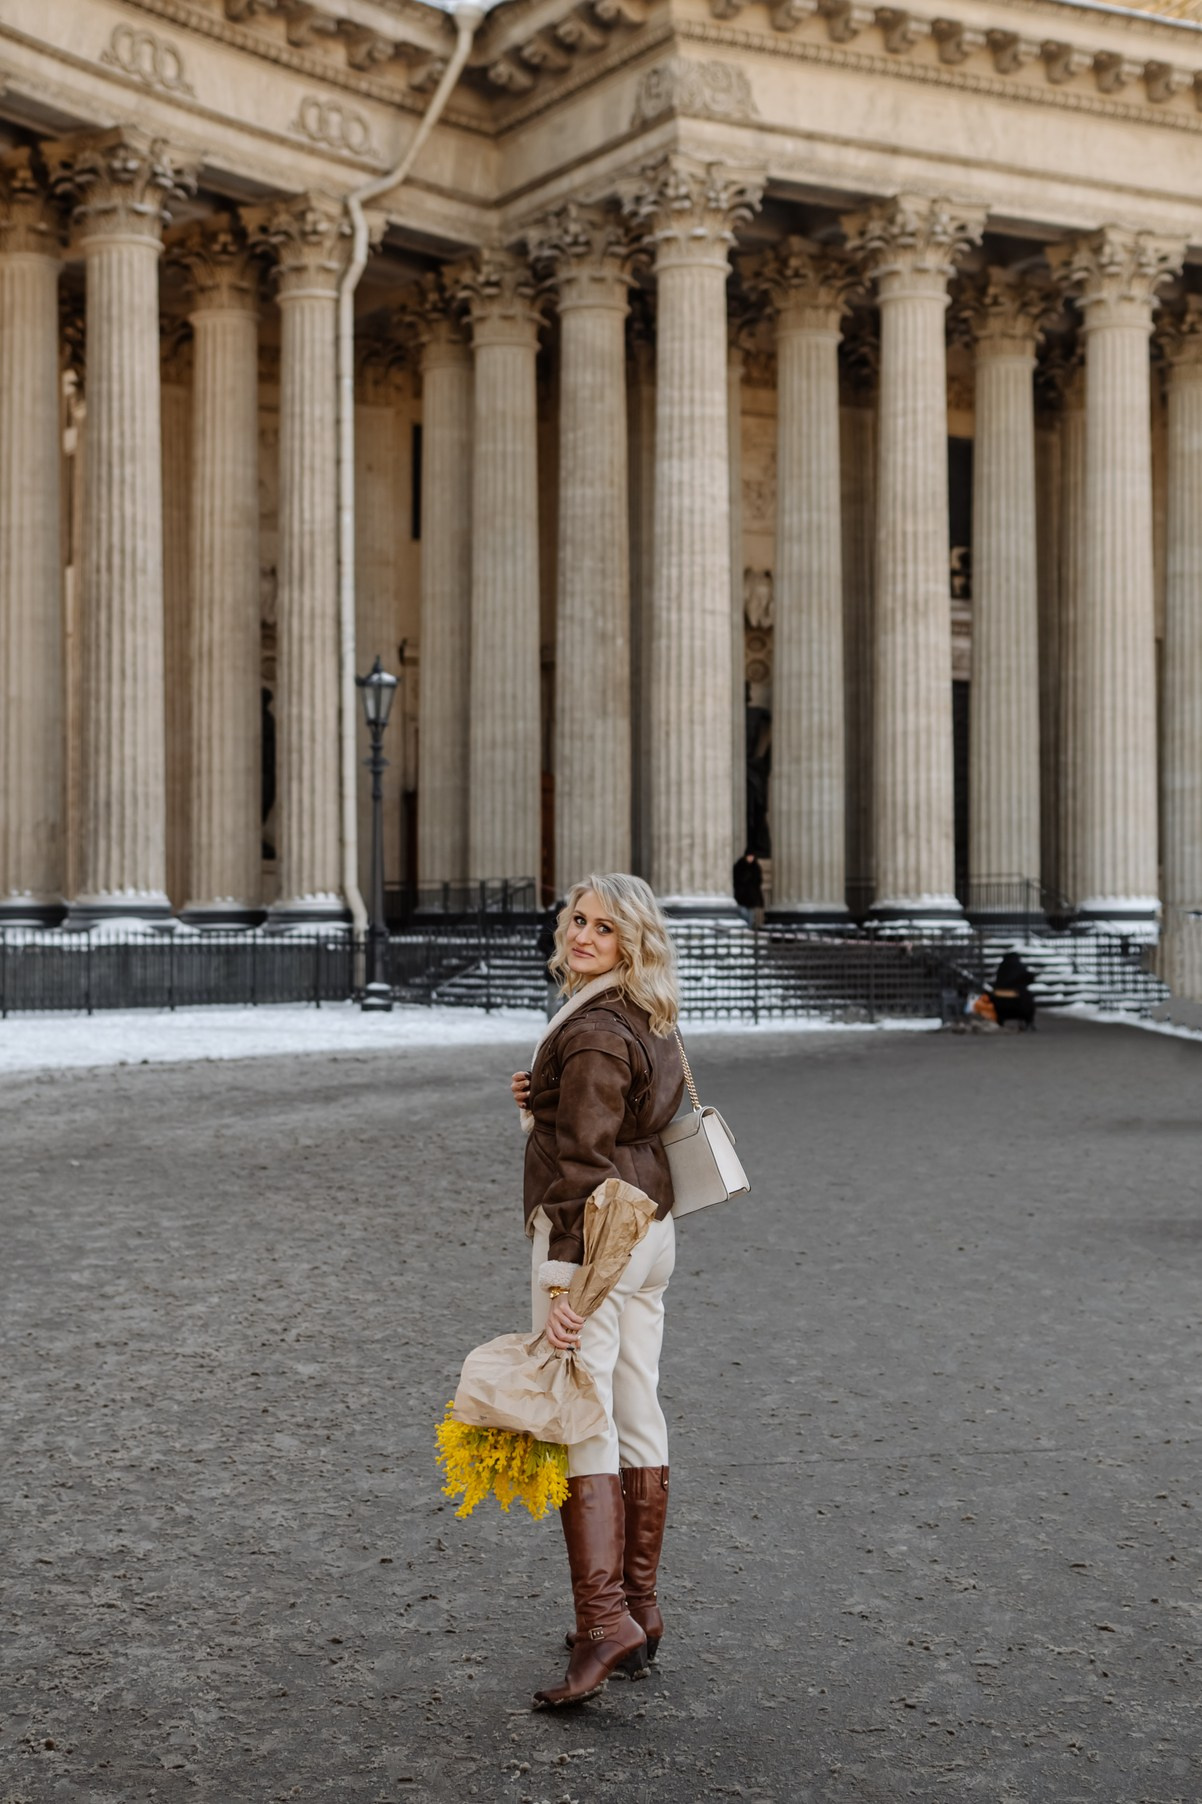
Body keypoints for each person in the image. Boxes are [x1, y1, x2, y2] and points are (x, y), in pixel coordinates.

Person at [510, 873, 685, 1709]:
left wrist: (570, 1282)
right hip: (653, 1231)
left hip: (597, 1238)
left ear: (631, 942)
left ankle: (602, 1620)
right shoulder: (648, 1016)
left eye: (603, 928)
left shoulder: (592, 1032)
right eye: (576, 920)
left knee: (584, 1419)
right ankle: (642, 1612)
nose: (581, 935)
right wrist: (539, 1098)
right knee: (636, 1406)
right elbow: (628, 1119)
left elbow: (583, 1164)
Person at [991, 950, 1037, 1030]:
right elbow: (1028, 978)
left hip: (1001, 1003)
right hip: (1018, 1002)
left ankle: (1000, 1022)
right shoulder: (1019, 966)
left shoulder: (1002, 967)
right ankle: (1029, 1022)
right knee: (1028, 999)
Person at [732, 849, 765, 926]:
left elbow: (758, 880)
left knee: (750, 915)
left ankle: (749, 927)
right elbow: (737, 879)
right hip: (741, 895)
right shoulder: (739, 865)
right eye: (749, 856)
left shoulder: (756, 867)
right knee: (743, 912)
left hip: (752, 896)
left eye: (752, 857)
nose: (751, 858)